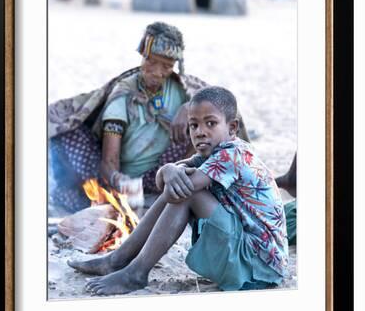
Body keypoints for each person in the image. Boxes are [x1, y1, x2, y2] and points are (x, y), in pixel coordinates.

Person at [68, 86, 289, 295]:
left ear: (232, 128)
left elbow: (182, 187)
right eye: (194, 125)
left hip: (258, 266)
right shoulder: (209, 154)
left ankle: (136, 271)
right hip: (247, 252)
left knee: (185, 192)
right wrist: (168, 169)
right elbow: (163, 183)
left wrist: (170, 172)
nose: (200, 132)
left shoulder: (232, 154)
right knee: (179, 188)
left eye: (210, 123)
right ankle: (117, 260)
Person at [48, 22, 249, 215]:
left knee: (208, 125)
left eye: (166, 66)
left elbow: (221, 109)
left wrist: (189, 109)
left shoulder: (183, 90)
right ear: (142, 56)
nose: (156, 72)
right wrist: (123, 183)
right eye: (151, 61)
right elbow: (109, 161)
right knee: (70, 140)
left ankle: (177, 189)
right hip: (121, 180)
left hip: (163, 175)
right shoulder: (124, 94)